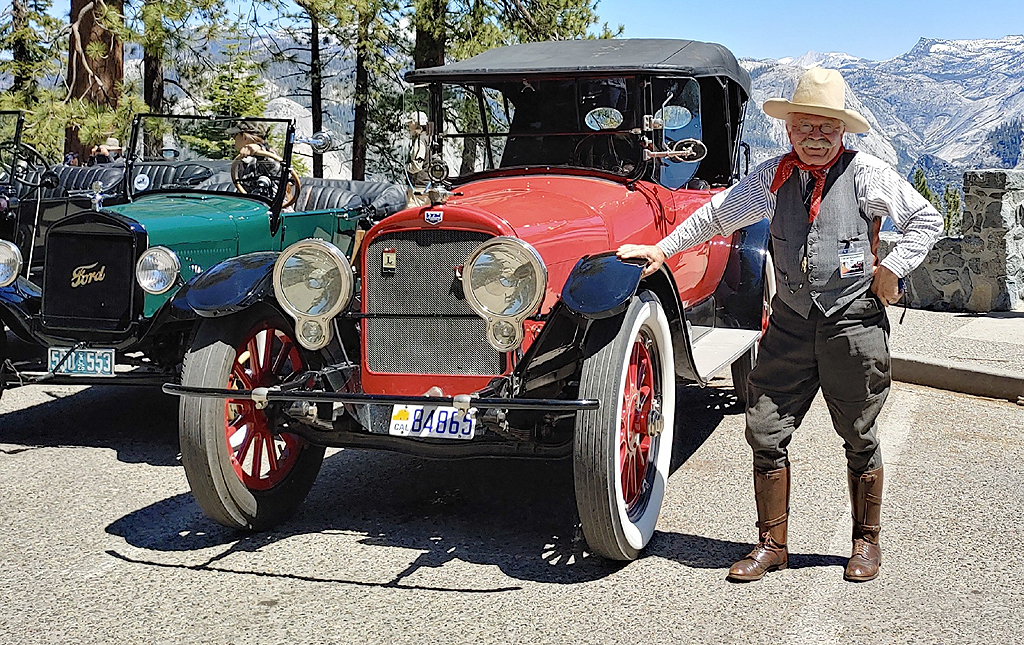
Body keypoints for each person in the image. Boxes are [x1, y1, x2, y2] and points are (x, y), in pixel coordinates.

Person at [617, 68, 943, 583]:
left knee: (859, 434)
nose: (816, 139)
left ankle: (865, 543)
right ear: (789, 129)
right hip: (791, 322)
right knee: (764, 429)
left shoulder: (868, 175)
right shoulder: (771, 177)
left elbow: (929, 220)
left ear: (843, 132)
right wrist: (663, 249)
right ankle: (772, 546)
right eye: (806, 128)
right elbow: (718, 216)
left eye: (827, 130)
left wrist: (892, 267)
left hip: (853, 324)